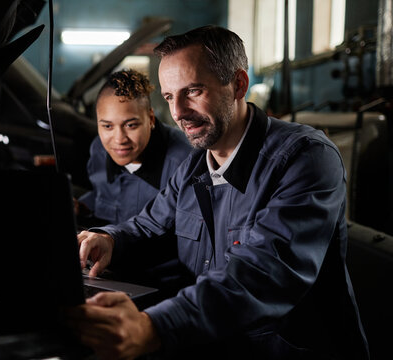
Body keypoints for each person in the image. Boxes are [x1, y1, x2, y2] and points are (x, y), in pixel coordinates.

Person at [67, 25, 370, 360]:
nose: (179, 113)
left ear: (239, 84)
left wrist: (154, 327)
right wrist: (108, 239)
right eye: (169, 97)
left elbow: (262, 274)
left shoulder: (306, 158)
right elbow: (149, 226)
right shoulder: (195, 166)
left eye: (193, 91)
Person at [76, 69, 192, 227]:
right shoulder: (99, 149)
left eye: (131, 125)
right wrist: (83, 209)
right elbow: (102, 195)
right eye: (107, 126)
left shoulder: (185, 161)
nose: (119, 139)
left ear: (150, 119)